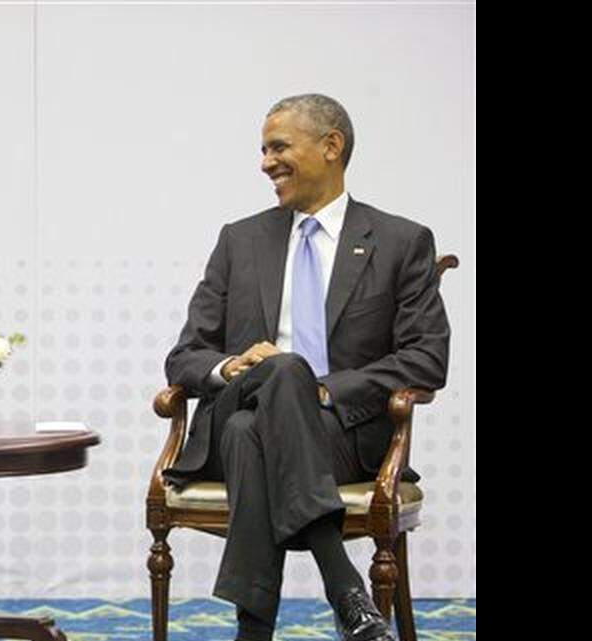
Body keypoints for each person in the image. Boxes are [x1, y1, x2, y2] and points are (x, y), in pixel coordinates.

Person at [163, 94, 449, 641]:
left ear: (331, 146)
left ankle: (252, 632)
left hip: (340, 433)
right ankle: (345, 589)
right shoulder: (240, 240)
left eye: (278, 147)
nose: (265, 163)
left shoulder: (400, 242)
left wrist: (320, 391)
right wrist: (232, 366)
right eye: (263, 150)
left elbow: (426, 357)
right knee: (273, 381)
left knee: (259, 425)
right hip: (231, 414)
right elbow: (185, 354)